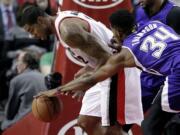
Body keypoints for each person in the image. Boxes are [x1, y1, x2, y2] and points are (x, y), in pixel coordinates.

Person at [41, 9, 180, 135]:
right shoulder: (155, 24)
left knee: (153, 125)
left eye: (112, 31)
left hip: (177, 73)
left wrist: (57, 90)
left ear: (118, 32)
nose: (111, 35)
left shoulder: (125, 54)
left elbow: (91, 80)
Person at [17, 4, 143, 135]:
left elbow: (107, 57)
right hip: (110, 70)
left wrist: (80, 84)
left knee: (109, 129)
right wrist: (87, 70)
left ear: (40, 20)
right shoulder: (61, 18)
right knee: (85, 122)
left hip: (120, 71)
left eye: (32, 30)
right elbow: (102, 52)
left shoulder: (68, 32)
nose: (33, 36)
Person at [135, 0, 180, 113]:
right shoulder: (139, 11)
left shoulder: (174, 14)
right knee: (121, 123)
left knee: (151, 125)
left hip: (168, 79)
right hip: (145, 78)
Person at [0, 50, 47, 130]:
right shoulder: (45, 78)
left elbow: (10, 114)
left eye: (18, 61)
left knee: (3, 124)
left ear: (25, 65)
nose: (16, 65)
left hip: (23, 122)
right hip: (42, 122)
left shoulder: (17, 80)